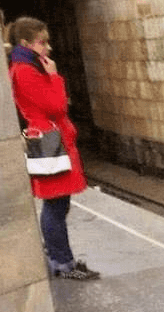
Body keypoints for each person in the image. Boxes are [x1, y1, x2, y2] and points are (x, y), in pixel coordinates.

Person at [6, 16, 99, 280]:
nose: (48, 48)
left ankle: (58, 255)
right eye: (42, 42)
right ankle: (62, 262)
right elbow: (56, 106)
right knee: (56, 205)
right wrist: (55, 77)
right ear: (25, 43)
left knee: (57, 203)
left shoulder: (26, 67)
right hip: (50, 143)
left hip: (50, 140)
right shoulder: (26, 71)